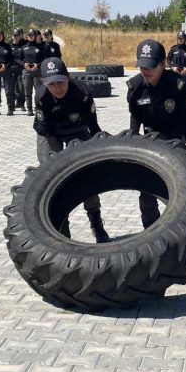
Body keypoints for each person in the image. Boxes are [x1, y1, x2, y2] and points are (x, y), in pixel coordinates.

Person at [126, 39, 186, 267]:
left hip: (179, 140)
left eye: (150, 66)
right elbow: (135, 117)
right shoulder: (135, 87)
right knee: (146, 194)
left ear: (163, 63)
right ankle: (152, 244)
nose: (145, 70)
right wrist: (131, 142)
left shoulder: (178, 85)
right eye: (141, 65)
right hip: (151, 143)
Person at [33, 57, 109, 243]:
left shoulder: (82, 92)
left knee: (86, 175)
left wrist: (96, 154)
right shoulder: (41, 96)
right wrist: (57, 160)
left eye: (60, 82)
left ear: (68, 77)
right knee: (53, 174)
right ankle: (62, 227)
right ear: (44, 83)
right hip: (51, 133)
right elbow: (45, 130)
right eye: (51, 84)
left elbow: (93, 126)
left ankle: (96, 222)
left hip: (77, 130)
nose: (57, 88)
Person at [19, 31, 43, 114]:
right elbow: (18, 59)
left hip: (37, 71)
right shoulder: (23, 47)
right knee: (27, 91)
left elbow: (43, 59)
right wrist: (24, 64)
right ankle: (29, 109)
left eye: (32, 35)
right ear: (27, 36)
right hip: (27, 71)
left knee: (38, 90)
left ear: (35, 36)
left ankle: (38, 107)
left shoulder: (40, 47)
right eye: (29, 35)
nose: (30, 36)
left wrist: (38, 65)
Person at [10, 28, 28, 112]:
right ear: (12, 36)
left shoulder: (24, 45)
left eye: (17, 35)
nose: (16, 36)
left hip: (21, 69)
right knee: (12, 88)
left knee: (21, 88)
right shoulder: (9, 45)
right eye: (14, 35)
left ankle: (22, 104)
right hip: (11, 70)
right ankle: (12, 104)